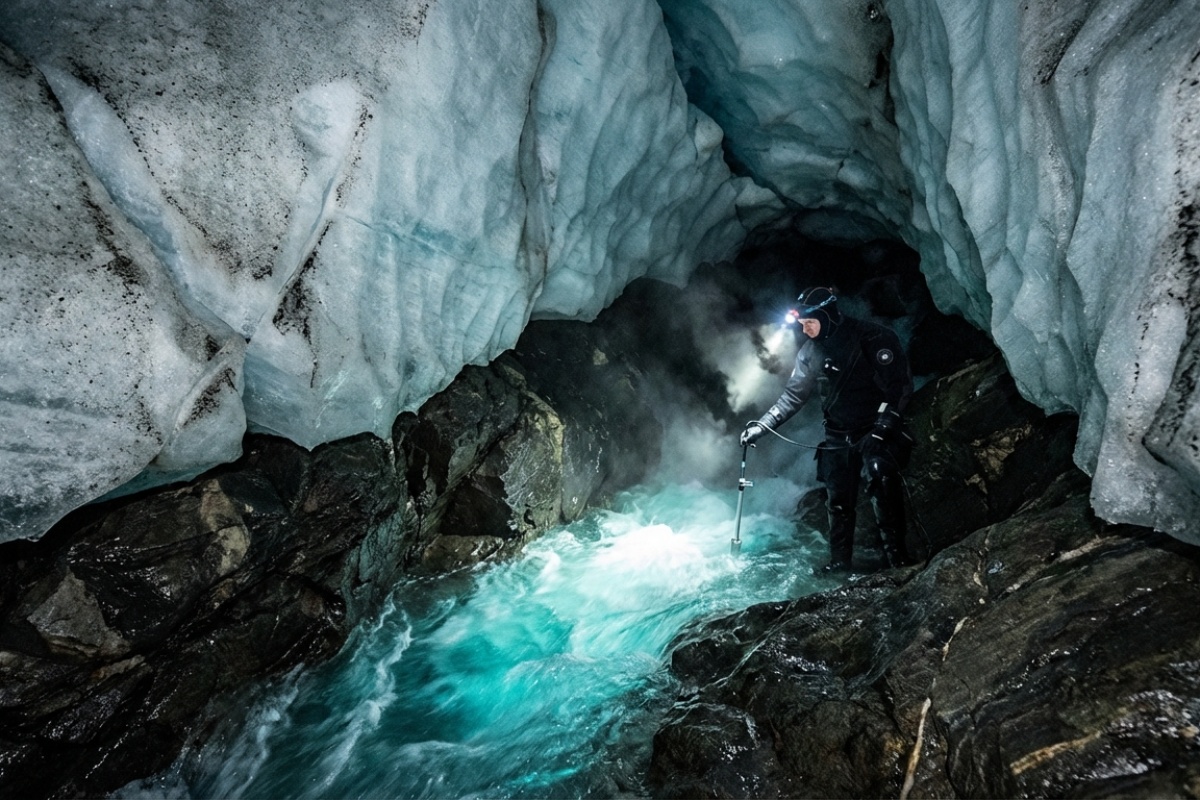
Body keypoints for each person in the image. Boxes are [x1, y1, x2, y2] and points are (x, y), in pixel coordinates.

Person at [740, 287, 915, 573]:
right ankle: (839, 563)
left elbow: (900, 386)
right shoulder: (810, 352)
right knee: (838, 501)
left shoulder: (873, 337)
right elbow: (793, 396)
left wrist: (883, 428)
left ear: (828, 316)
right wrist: (762, 425)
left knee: (881, 481)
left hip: (873, 430)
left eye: (810, 323)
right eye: (801, 325)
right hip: (837, 436)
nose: (805, 330)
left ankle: (899, 561)